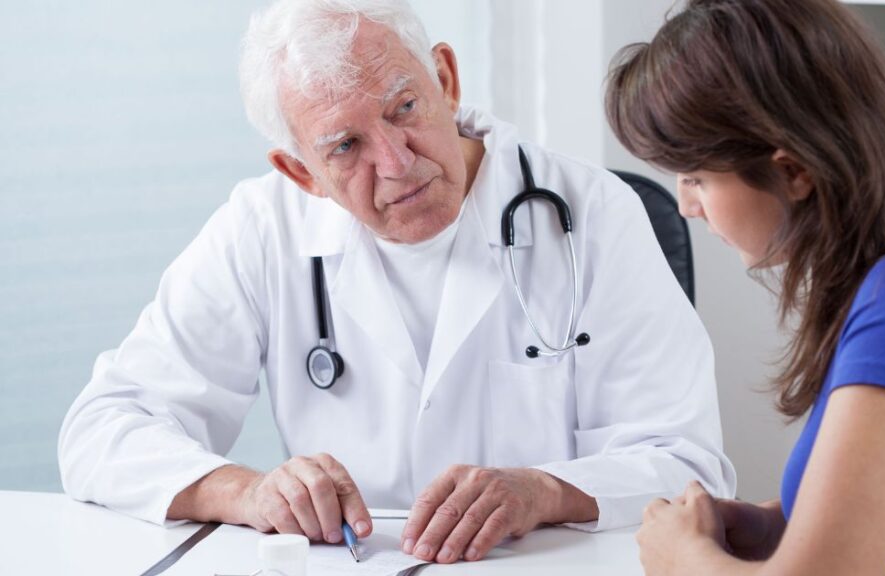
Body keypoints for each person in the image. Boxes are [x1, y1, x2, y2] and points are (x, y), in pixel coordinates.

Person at [58, 0, 736, 565]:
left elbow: (688, 462)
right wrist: (246, 492)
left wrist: (543, 490)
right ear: (301, 173)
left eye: (404, 107)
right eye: (345, 147)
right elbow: (101, 431)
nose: (394, 163)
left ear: (445, 77)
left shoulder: (592, 215)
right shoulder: (262, 228)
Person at [605, 0, 885, 574]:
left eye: (697, 176)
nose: (686, 206)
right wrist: (777, 524)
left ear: (793, 170)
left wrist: (683, 559)